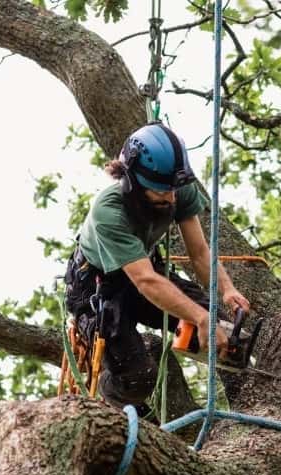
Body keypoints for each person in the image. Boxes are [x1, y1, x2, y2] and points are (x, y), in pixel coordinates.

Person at [64, 122, 250, 411]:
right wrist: (199, 318)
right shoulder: (109, 212)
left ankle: (245, 403)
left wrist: (226, 289)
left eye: (174, 189)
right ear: (131, 181)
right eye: (161, 191)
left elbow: (199, 253)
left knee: (224, 330)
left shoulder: (176, 188)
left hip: (144, 272)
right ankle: (111, 393)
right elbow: (146, 282)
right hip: (100, 289)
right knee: (138, 377)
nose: (171, 198)